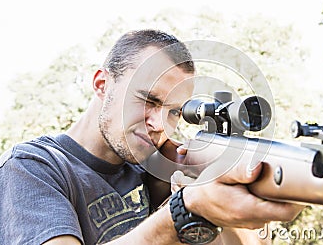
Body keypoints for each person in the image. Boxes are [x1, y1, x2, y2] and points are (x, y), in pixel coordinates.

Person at [0, 30, 303, 244]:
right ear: (102, 83)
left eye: (174, 112)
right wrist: (183, 211)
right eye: (148, 100)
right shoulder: (32, 167)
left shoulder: (158, 167)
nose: (159, 124)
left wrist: (225, 192)